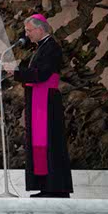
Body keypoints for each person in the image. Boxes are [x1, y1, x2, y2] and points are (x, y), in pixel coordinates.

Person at [12, 14, 73, 198]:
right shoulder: (42, 47)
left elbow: (42, 74)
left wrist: (17, 72)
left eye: (29, 30)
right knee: (42, 143)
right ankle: (46, 186)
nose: (27, 34)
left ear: (40, 29)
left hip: (47, 102)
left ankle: (56, 188)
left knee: (51, 143)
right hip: (40, 100)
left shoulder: (52, 47)